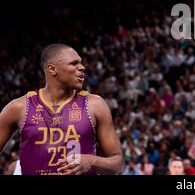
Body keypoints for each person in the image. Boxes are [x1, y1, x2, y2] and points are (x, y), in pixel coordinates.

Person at [0, 44, 124, 175]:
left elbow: (118, 163)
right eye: (74, 63)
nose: (82, 67)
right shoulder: (19, 107)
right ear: (52, 69)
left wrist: (91, 161)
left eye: (81, 63)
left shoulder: (95, 105)